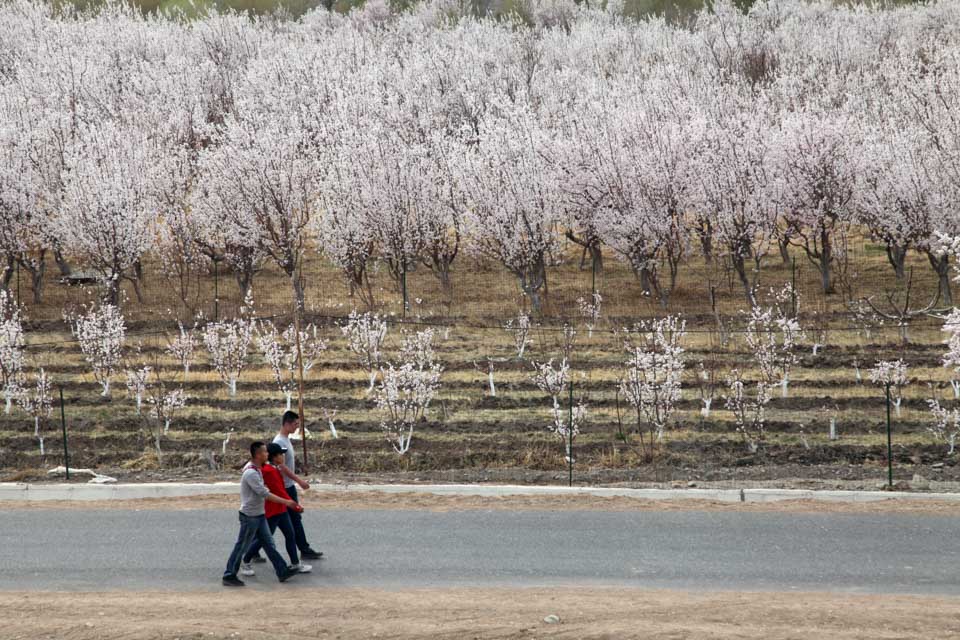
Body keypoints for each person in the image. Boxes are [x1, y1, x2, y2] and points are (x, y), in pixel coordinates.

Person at [222, 441, 303, 588]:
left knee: (269, 544)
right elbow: (264, 493)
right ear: (258, 455)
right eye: (265, 452)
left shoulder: (257, 469)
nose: (268, 454)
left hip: (258, 514)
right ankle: (229, 574)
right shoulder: (251, 473)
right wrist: (287, 502)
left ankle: (282, 570)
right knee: (241, 546)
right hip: (250, 516)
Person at [252, 411, 322, 563]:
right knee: (285, 522)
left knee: (284, 522)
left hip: (286, 486)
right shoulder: (280, 442)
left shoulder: (286, 440)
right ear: (287, 424)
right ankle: (302, 550)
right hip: (284, 488)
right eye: (296, 424)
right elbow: (282, 467)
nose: (298, 427)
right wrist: (299, 481)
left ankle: (254, 550)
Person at [239, 442, 312, 577]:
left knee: (289, 535)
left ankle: (295, 563)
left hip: (279, 508)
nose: (283, 456)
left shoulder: (269, 469)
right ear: (273, 457)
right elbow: (279, 491)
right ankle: (245, 559)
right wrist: (294, 505)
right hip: (273, 510)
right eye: (280, 454)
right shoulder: (269, 471)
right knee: (265, 539)